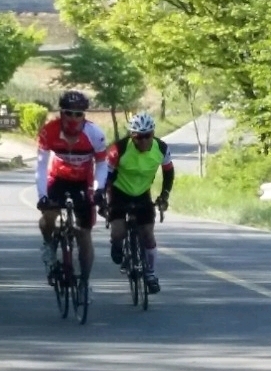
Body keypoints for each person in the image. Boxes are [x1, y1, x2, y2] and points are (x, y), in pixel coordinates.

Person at [35, 90, 108, 287]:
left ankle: (84, 282)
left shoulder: (95, 134)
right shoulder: (49, 131)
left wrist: (99, 189)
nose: (73, 118)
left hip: (83, 182)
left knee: (84, 233)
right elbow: (41, 166)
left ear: (84, 115)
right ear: (61, 113)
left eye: (78, 114)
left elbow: (102, 165)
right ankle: (49, 245)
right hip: (57, 178)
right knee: (48, 218)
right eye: (68, 113)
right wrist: (42, 196)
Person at [103, 111, 174, 294]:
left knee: (148, 235)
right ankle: (117, 244)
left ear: (153, 134)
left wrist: (164, 195)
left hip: (142, 193)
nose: (143, 141)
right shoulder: (119, 149)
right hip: (119, 192)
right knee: (118, 232)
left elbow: (168, 173)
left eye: (147, 136)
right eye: (138, 137)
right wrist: (102, 198)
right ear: (131, 136)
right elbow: (105, 175)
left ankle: (150, 273)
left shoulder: (161, 148)